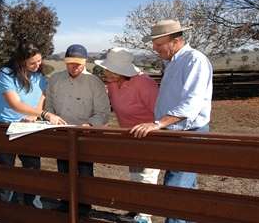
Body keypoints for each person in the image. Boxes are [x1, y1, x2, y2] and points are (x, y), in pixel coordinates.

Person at [130, 19, 213, 223]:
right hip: (175, 131)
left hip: (189, 133)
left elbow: (191, 104)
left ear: (176, 41)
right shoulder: (173, 62)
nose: (154, 49)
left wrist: (158, 124)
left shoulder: (195, 60)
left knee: (174, 190)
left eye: (159, 44)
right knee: (186, 190)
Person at [0, 43, 66, 208]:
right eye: (32, 63)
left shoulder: (39, 76)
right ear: (20, 62)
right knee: (5, 166)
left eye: (39, 61)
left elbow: (42, 96)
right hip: (4, 124)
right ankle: (7, 207)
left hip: (29, 125)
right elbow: (15, 104)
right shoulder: (6, 74)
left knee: (32, 164)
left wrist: (34, 115)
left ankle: (32, 203)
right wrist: (45, 114)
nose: (37, 65)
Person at [94, 47, 160, 223]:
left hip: (150, 137)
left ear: (119, 71)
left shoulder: (145, 84)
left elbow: (160, 112)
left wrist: (154, 127)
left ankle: (145, 217)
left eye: (108, 69)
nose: (104, 71)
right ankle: (136, 211)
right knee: (135, 175)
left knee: (146, 176)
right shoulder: (112, 84)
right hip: (130, 136)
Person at [45, 43, 110, 216]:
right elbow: (49, 105)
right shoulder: (55, 80)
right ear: (66, 62)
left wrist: (89, 125)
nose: (74, 66)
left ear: (85, 62)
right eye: (71, 62)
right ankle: (65, 203)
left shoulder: (94, 83)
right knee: (63, 168)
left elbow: (103, 112)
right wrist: (51, 117)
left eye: (78, 63)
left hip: (85, 134)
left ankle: (85, 206)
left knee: (85, 170)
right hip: (62, 133)